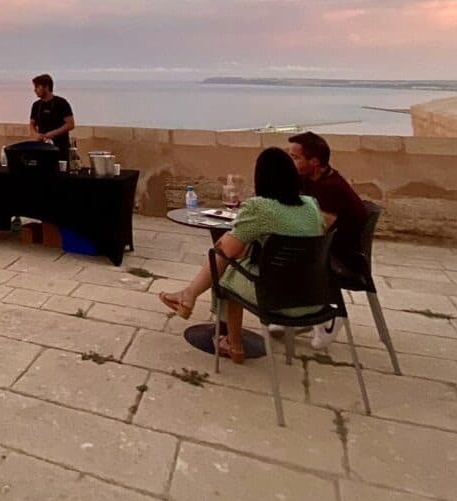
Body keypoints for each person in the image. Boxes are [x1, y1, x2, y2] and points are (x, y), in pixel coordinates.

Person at [158, 147, 325, 363]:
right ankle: (189, 296)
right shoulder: (311, 205)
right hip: (315, 297)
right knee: (237, 260)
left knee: (227, 277)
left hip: (279, 300)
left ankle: (232, 342)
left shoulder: (261, 208)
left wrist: (230, 241)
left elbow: (225, 249)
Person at [287, 131, 370, 350]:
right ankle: (299, 314)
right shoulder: (310, 179)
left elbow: (318, 229)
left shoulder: (331, 187)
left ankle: (329, 317)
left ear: (314, 161)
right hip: (328, 250)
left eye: (295, 158)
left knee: (280, 257)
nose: (290, 162)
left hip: (343, 260)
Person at [29, 73, 75, 159]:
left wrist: (52, 133)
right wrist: (35, 134)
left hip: (60, 148)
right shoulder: (36, 105)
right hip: (42, 147)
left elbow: (70, 124)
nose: (35, 90)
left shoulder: (61, 103)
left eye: (37, 87)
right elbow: (32, 124)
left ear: (46, 87)